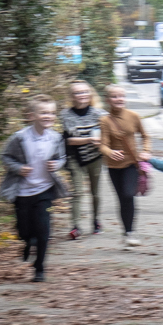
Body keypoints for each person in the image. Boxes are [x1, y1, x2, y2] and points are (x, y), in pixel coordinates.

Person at [0, 97, 67, 282]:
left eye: (52, 113)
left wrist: (57, 164)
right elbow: (5, 157)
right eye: (44, 112)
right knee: (24, 230)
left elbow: (62, 157)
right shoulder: (20, 137)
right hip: (22, 192)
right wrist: (19, 168)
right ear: (32, 116)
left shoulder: (55, 137)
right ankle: (29, 241)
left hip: (45, 190)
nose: (49, 116)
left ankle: (40, 268)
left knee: (44, 230)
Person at [99, 82, 148, 248]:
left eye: (121, 96)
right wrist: (109, 152)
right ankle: (127, 232)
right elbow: (102, 144)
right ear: (108, 100)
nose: (119, 99)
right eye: (114, 96)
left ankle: (131, 231)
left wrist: (146, 151)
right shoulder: (105, 121)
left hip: (131, 164)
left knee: (128, 195)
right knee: (121, 199)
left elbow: (145, 136)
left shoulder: (133, 116)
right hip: (113, 167)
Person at [60, 80, 106, 240]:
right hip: (75, 158)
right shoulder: (66, 115)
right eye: (78, 92)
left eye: (85, 92)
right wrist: (90, 140)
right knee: (78, 192)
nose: (82, 95)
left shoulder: (100, 114)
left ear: (90, 94)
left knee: (95, 192)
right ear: (72, 96)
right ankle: (75, 226)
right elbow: (69, 140)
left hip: (95, 157)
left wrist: (102, 141)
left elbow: (108, 133)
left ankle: (95, 221)